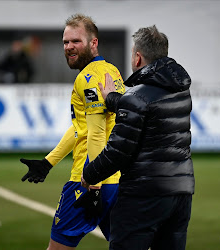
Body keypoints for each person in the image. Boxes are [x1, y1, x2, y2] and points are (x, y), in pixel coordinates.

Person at [81, 25, 195, 250]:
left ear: (138, 57)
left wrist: (90, 174)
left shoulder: (137, 96)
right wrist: (113, 98)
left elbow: (118, 151)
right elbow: (145, 109)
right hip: (181, 192)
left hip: (144, 194)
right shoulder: (180, 90)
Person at [19, 14, 125, 249]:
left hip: (87, 182)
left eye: (76, 41)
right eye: (65, 42)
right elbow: (83, 128)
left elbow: (96, 133)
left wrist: (94, 188)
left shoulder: (87, 78)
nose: (68, 47)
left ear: (93, 43)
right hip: (117, 180)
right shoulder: (112, 72)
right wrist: (48, 162)